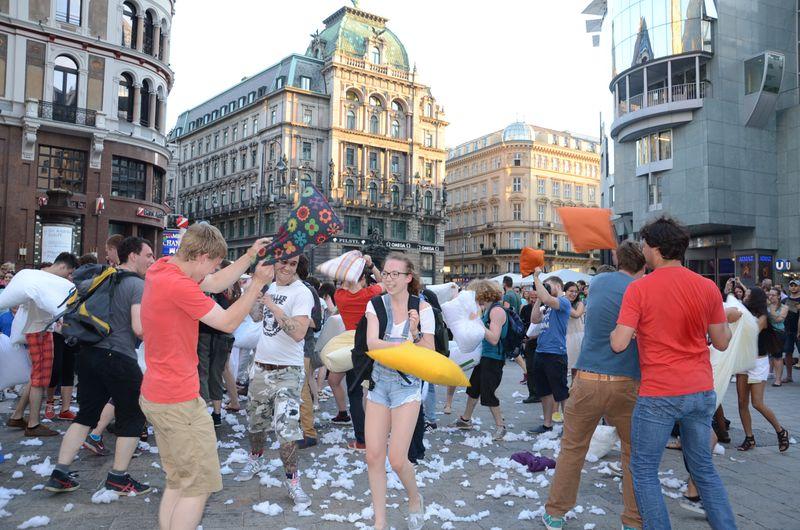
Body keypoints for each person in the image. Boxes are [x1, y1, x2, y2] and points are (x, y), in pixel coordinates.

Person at [139, 223, 271, 530]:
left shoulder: (162, 269)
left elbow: (211, 282)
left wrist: (250, 256)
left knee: (178, 481)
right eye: (213, 262)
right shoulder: (179, 286)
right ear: (200, 256)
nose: (213, 271)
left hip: (158, 394)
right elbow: (226, 322)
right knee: (198, 486)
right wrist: (255, 287)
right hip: (179, 400)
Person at [611, 216, 736, 529]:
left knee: (643, 471)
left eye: (644, 244)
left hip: (660, 392)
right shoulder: (707, 286)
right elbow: (721, 342)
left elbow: (618, 343)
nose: (642, 249)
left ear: (655, 248)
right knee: (703, 469)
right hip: (699, 389)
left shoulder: (639, 289)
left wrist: (632, 330)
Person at [543, 241, 646, 530]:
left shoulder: (600, 281)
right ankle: (632, 521)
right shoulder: (644, 289)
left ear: (616, 259)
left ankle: (555, 513)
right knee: (632, 453)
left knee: (573, 449)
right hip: (627, 381)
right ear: (645, 264)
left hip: (588, 379)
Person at [45, 237, 155, 494]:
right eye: (148, 255)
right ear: (132, 256)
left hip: (89, 355)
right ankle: (118, 477)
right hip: (118, 357)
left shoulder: (105, 278)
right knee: (133, 416)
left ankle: (60, 473)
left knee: (86, 415)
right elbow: (139, 329)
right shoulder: (137, 285)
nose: (152, 260)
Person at [234, 254, 314, 509]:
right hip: (260, 368)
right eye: (283, 262)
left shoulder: (302, 293)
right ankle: (255, 458)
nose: (287, 268)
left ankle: (293, 481)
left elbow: (299, 333)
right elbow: (257, 317)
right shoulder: (270, 287)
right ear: (275, 263)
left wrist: (273, 305)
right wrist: (254, 293)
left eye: (292, 264)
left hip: (288, 372)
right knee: (256, 424)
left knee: (287, 429)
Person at [364, 253, 434, 530]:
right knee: (373, 456)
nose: (389, 278)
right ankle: (380, 522)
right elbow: (372, 343)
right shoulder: (375, 305)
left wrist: (415, 333)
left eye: (395, 274)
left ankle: (415, 498)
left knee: (396, 459)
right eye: (386, 273)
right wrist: (402, 347)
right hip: (379, 382)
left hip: (407, 385)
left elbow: (430, 351)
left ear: (408, 278)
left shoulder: (423, 308)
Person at [6, 252, 78, 437]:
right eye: (69, 273)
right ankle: (33, 424)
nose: (68, 278)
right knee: (40, 379)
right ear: (62, 267)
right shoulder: (44, 282)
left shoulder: (37, 278)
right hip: (39, 331)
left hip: (38, 330)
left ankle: (18, 414)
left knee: (36, 376)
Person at [335, 256, 384, 450]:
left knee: (355, 393)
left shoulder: (340, 296)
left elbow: (342, 286)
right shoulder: (370, 294)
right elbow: (383, 282)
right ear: (363, 278)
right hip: (373, 346)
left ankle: (362, 440)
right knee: (375, 391)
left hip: (353, 347)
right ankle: (380, 434)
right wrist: (372, 265)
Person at [735, 287, 790, 452]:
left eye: (749, 295)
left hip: (758, 363)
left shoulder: (763, 317)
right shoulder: (743, 313)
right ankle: (749, 438)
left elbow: (751, 333)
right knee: (741, 402)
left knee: (757, 403)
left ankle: (780, 431)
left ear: (756, 298)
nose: (746, 296)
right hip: (743, 361)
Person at [452, 279, 508, 441]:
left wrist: (477, 323)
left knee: (488, 393)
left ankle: (500, 426)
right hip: (485, 356)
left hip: (494, 358)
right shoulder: (489, 309)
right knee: (473, 388)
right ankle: (465, 420)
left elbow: (494, 339)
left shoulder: (496, 311)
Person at [197, 260, 239, 428]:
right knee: (215, 372)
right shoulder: (230, 288)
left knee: (206, 372)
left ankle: (210, 412)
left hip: (208, 334)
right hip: (221, 335)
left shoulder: (214, 288)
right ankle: (215, 413)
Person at [529, 272, 571, 434]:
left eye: (548, 286)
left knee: (561, 392)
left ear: (558, 286)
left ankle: (568, 426)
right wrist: (539, 297)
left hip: (555, 353)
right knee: (544, 392)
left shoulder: (563, 301)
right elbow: (534, 319)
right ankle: (547, 424)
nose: (545, 289)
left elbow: (548, 298)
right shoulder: (547, 306)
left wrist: (536, 278)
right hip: (541, 352)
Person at [520, 289, 540, 403]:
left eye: (535, 297)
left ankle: (542, 393)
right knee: (530, 368)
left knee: (541, 369)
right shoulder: (526, 309)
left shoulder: (544, 308)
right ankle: (533, 394)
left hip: (541, 342)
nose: (533, 300)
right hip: (529, 343)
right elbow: (522, 324)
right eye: (531, 298)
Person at [767, 288, 789, 386]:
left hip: (778, 333)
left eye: (773, 295)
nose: (770, 297)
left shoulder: (784, 307)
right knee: (768, 356)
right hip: (767, 333)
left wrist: (771, 309)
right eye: (769, 295)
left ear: (779, 296)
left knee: (777, 357)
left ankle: (778, 379)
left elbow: (779, 320)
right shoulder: (766, 305)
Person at [564, 281, 586, 376]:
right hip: (566, 338)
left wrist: (563, 301)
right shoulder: (561, 303)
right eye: (571, 291)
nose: (574, 294)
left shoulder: (579, 304)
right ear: (565, 291)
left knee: (576, 371)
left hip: (577, 338)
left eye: (576, 291)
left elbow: (576, 315)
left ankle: (573, 390)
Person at [781, 279, 800, 383]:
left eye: (796, 285)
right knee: (788, 353)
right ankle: (789, 376)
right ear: (789, 287)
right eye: (791, 285)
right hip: (787, 331)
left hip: (799, 331)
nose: (793, 287)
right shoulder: (784, 301)